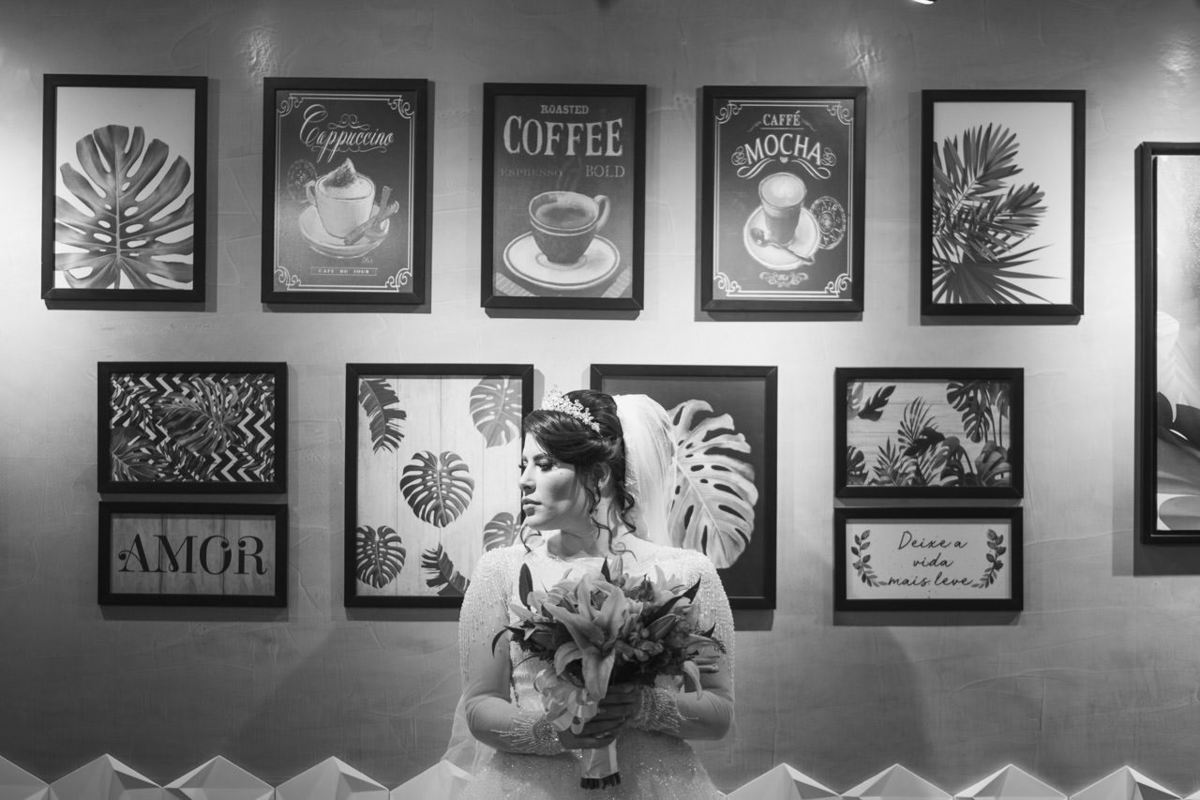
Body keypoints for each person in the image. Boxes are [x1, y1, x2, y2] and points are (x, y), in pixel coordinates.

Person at [444, 390, 735, 799]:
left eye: (545, 464)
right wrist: (555, 731)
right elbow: (479, 706)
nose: (525, 480)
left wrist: (643, 706)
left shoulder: (689, 572)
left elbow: (719, 713)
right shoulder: (500, 570)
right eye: (524, 465)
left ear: (598, 475)